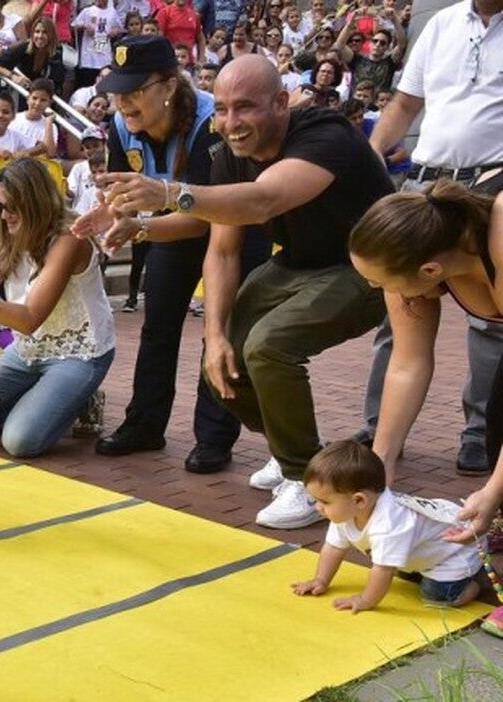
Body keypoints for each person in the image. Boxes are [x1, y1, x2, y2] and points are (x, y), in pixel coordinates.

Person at [97, 55, 392, 529]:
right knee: (224, 354)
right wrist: (212, 333)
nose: (231, 123)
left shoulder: (325, 134)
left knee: (269, 345)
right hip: (296, 262)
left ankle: (306, 477)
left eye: (245, 108)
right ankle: (291, 449)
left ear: (281, 103)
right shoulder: (230, 152)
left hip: (366, 267)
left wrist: (169, 193)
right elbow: (223, 248)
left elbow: (263, 200)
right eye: (223, 110)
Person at [75, 35, 270, 473]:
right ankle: (145, 424)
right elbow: (124, 192)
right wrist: (108, 214)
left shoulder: (210, 126)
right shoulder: (121, 126)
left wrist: (140, 228)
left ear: (169, 85)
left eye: (135, 91)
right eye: (118, 90)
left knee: (220, 331)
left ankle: (215, 438)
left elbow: (208, 218)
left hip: (234, 227)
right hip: (168, 224)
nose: (123, 102)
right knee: (158, 327)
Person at [356, 0, 503, 478]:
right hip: (432, 180)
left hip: (494, 183)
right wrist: (378, 473)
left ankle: (482, 434)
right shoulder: (441, 23)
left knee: (491, 333)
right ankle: (381, 434)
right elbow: (405, 104)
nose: (380, 289)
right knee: (400, 324)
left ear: (433, 269)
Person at [0, 158, 116, 459]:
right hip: (26, 350)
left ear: (35, 202)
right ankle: (45, 395)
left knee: (20, 441)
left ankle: (81, 398)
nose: (4, 215)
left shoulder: (69, 237)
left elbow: (28, 319)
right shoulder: (9, 232)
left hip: (81, 352)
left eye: (12, 206)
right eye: (0, 206)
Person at [291, 441, 485, 612]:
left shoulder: (389, 525)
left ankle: (473, 582)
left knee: (437, 596)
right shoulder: (347, 512)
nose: (318, 507)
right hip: (428, 548)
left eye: (324, 502)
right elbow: (333, 548)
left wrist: (366, 600)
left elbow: (383, 570)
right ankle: (423, 571)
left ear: (359, 500)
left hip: (457, 551)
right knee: (401, 572)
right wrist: (321, 580)